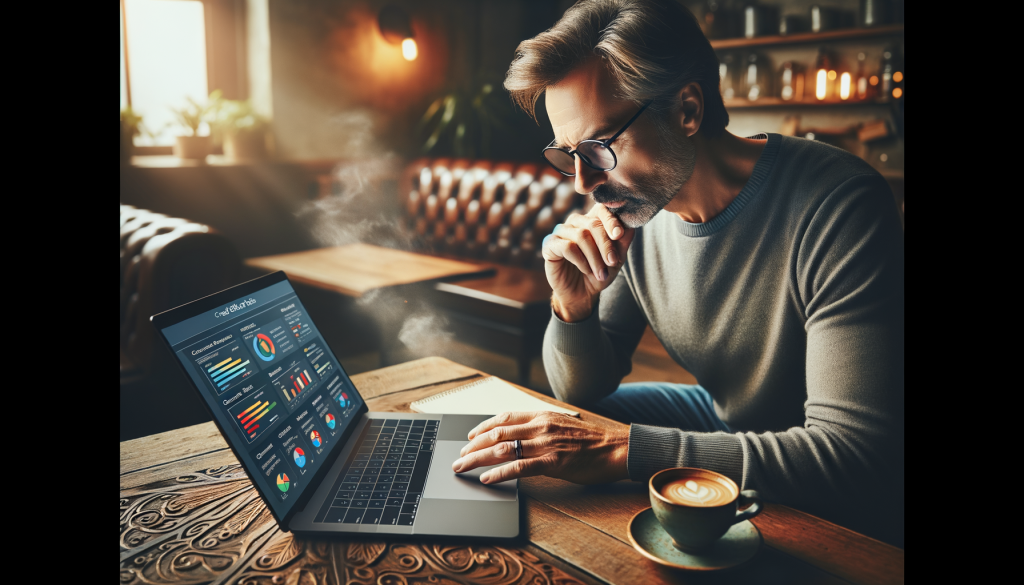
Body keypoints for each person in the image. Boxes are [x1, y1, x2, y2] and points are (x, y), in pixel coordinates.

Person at [452, 0, 904, 544]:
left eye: (597, 148)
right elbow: (581, 391)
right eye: (566, 153)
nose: (580, 183)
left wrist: (619, 450)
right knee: (546, 430)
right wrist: (573, 306)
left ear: (687, 110)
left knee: (592, 446)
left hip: (840, 470)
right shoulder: (640, 210)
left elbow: (854, 456)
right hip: (727, 420)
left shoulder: (838, 205)